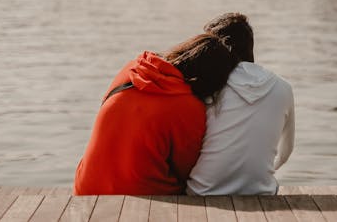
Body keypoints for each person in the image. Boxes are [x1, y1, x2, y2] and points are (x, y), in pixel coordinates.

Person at [74, 33, 237, 195]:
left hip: (86, 187)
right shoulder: (189, 107)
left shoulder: (131, 70)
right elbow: (186, 170)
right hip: (144, 197)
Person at [187, 13, 295, 195]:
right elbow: (286, 152)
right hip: (262, 191)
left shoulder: (210, 85)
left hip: (202, 192)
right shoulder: (283, 87)